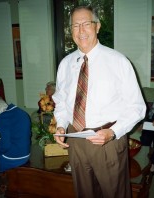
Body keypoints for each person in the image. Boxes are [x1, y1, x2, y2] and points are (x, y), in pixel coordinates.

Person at [52, 5, 146, 198]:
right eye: (75, 25)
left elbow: (137, 107)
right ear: (71, 30)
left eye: (86, 24)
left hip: (107, 141)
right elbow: (61, 101)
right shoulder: (65, 64)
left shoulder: (118, 61)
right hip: (75, 140)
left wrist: (112, 132)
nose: (81, 30)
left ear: (97, 26)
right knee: (84, 193)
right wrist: (61, 126)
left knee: (115, 193)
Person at [0, 98, 31, 173]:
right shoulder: (22, 112)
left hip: (13, 158)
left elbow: (5, 145)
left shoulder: (2, 118)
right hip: (26, 155)